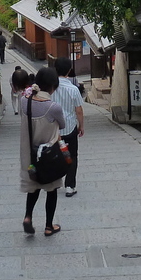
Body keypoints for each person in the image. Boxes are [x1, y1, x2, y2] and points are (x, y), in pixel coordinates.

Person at [19, 66, 65, 236]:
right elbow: (63, 125)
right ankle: (48, 226)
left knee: (33, 188)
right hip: (48, 157)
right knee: (51, 190)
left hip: (29, 156)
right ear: (53, 86)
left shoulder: (24, 101)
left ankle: (28, 217)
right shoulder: (53, 107)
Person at [52, 57, 85, 197]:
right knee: (72, 156)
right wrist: (81, 126)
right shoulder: (73, 89)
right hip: (70, 127)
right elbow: (79, 110)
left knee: (55, 155)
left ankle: (53, 181)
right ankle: (70, 186)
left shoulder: (50, 88)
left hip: (53, 129)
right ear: (69, 70)